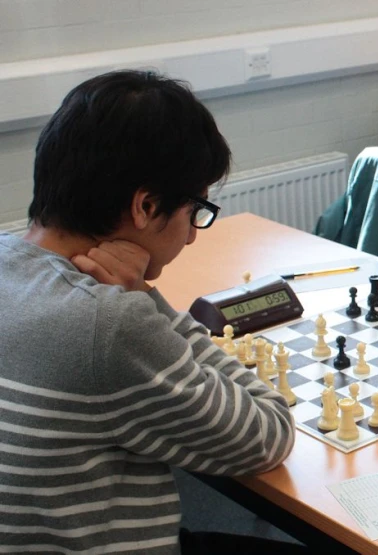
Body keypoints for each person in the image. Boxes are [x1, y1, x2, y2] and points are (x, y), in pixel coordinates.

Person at [0, 71, 301, 554]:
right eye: (195, 210)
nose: (190, 235)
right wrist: (142, 298)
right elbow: (267, 434)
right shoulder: (108, 322)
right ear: (145, 205)